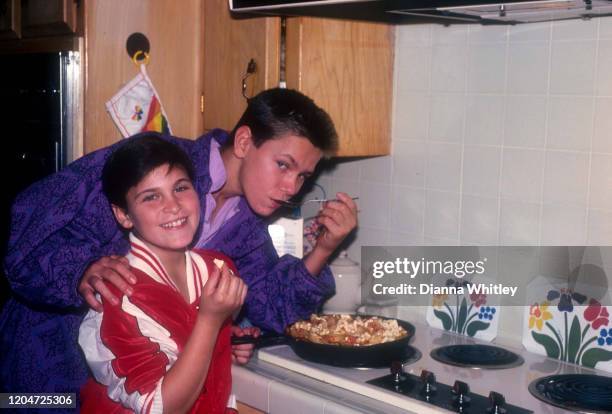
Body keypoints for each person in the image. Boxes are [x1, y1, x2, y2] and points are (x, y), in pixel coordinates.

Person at [0, 88, 358, 402]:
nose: (292, 187)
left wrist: (323, 250)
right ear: (246, 142)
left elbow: (270, 306)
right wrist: (78, 269)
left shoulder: (245, 227)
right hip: (46, 362)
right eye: (283, 165)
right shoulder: (157, 160)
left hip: (136, 385)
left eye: (302, 176)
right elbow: (30, 223)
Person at [79, 135, 245, 413]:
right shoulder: (115, 300)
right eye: (151, 196)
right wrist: (210, 321)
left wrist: (230, 338)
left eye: (180, 188)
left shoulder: (218, 270)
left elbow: (210, 352)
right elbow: (162, 407)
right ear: (123, 215)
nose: (173, 206)